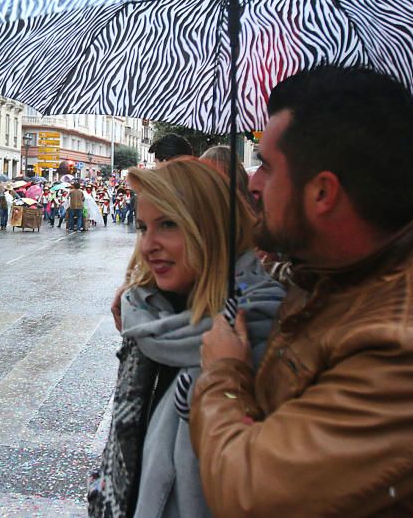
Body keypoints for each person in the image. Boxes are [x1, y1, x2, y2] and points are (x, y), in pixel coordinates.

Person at [192, 66, 413, 516]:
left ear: (322, 193)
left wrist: (222, 375)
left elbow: (250, 493)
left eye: (268, 166)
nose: (253, 183)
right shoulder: (338, 267)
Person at [89, 158, 284, 518]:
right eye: (143, 227)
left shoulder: (262, 329)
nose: (148, 245)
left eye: (168, 225)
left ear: (209, 228)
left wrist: (227, 375)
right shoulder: (149, 319)